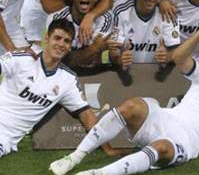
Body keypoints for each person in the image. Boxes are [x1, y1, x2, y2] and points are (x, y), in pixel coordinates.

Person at [49, 21, 199, 175]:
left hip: (187, 142)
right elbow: (178, 57)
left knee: (160, 148)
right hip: (166, 118)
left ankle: (98, 174)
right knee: (131, 106)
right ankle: (74, 158)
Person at [0, 19, 115, 159]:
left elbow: (87, 115)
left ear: (70, 46)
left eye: (66, 41)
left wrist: (108, 148)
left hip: (4, 138)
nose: (61, 44)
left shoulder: (67, 80)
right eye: (57, 38)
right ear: (47, 38)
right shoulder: (23, 58)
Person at [110, 0, 180, 69]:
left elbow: (175, 52)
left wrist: (167, 57)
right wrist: (120, 59)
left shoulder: (168, 13)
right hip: (125, 72)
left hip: (154, 73)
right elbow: (113, 51)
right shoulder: (120, 9)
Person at [46, 0, 113, 69]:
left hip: (95, 74)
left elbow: (94, 58)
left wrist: (91, 51)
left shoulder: (106, 18)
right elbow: (60, 60)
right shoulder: (56, 18)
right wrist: (94, 47)